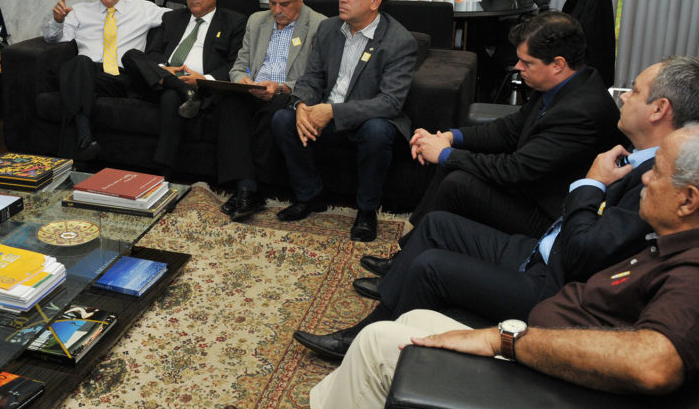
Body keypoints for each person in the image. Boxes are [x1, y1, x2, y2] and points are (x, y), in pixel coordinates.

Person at [224, 123, 699, 409]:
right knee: (411, 317)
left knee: (378, 343)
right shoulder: (669, 243)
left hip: (554, 385)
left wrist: (507, 341)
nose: (644, 181)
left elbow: (653, 363)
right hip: (545, 350)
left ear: (688, 200)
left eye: (654, 173)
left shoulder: (691, 272)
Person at [295, 56, 699, 360]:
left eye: (636, 92)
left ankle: (369, 342)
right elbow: (506, 131)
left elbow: (582, 254)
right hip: (540, 248)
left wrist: (591, 183)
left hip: (552, 281)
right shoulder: (641, 157)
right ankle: (386, 305)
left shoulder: (660, 184)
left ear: (659, 109)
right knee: (437, 224)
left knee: (431, 264)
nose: (624, 96)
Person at [408, 11, 622, 238]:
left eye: (527, 62)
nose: (518, 67)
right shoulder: (563, 82)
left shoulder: (581, 112)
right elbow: (509, 129)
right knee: (454, 165)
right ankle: (411, 245)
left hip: (553, 217)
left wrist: (445, 154)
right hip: (533, 188)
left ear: (558, 64)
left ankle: (413, 251)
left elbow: (515, 170)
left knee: (458, 181)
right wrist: (451, 138)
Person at [270, 0, 417, 242]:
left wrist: (333, 112)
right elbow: (311, 79)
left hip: (366, 121)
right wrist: (301, 106)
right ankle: (309, 196)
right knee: (283, 119)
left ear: (375, 1)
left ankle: (366, 211)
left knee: (377, 129)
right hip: (325, 114)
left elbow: (390, 102)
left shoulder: (399, 42)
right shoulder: (328, 29)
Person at [217, 0, 326, 221]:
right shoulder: (257, 21)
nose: (276, 11)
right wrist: (243, 81)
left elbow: (316, 79)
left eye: (284, 4)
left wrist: (281, 87)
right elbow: (237, 66)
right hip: (253, 90)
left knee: (273, 109)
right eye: (272, 2)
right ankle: (248, 190)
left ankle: (250, 190)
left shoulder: (319, 26)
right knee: (230, 103)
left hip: (286, 93)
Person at [43, 0, 169, 160]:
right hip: (88, 72)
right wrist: (57, 21)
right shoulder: (80, 11)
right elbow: (54, 39)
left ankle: (79, 143)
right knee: (79, 63)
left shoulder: (142, 9)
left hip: (120, 76)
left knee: (74, 82)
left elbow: (180, 19)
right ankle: (84, 139)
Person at [121, 0, 245, 172]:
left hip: (197, 87)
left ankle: (163, 171)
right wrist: (164, 70)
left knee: (171, 96)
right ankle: (176, 86)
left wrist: (203, 79)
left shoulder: (233, 22)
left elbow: (235, 64)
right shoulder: (172, 18)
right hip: (159, 80)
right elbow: (152, 53)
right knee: (131, 55)